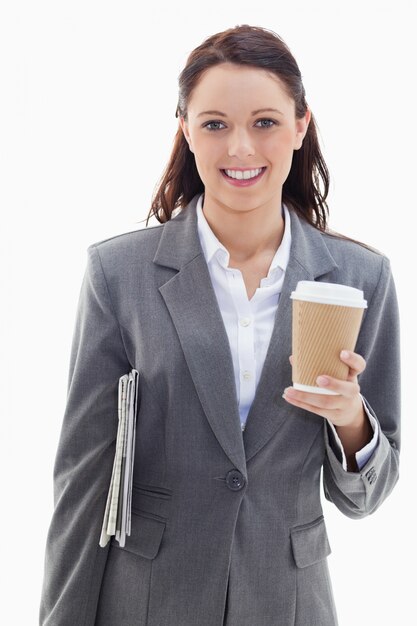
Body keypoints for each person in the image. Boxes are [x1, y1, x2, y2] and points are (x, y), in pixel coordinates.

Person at [39, 24, 401, 626]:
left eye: (264, 122)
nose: (240, 149)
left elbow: (367, 496)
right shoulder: (118, 274)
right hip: (147, 600)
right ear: (185, 129)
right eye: (214, 124)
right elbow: (84, 479)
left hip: (288, 603)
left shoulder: (360, 279)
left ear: (301, 126)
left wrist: (351, 421)